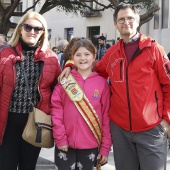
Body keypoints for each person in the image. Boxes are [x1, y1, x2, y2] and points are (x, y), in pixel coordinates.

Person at [59, 3, 170, 170]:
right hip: (121, 130)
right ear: (115, 24)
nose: (126, 22)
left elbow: (168, 85)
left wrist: (166, 119)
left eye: (130, 18)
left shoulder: (154, 49)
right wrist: (69, 64)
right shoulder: (112, 53)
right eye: (121, 19)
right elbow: (91, 68)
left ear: (138, 20)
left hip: (151, 129)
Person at [0, 11, 61, 170]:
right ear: (20, 29)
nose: (32, 32)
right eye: (28, 27)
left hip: (36, 122)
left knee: (28, 166)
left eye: (37, 29)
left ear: (42, 33)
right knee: (6, 165)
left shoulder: (51, 58)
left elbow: (58, 90)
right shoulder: (5, 54)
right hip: (7, 123)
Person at [51, 39, 112, 170]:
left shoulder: (102, 83)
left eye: (87, 54)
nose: (82, 58)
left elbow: (106, 116)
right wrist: (60, 138)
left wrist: (105, 147)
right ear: (73, 57)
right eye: (78, 55)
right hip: (65, 144)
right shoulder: (65, 80)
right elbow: (56, 111)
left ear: (94, 56)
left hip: (91, 145)